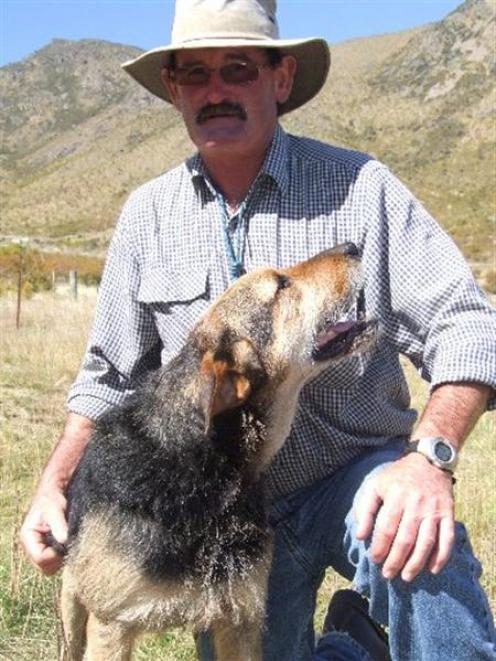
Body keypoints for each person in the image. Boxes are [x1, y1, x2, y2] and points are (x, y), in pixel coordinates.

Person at [20, 1, 496, 659]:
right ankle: (353, 646)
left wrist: (431, 457)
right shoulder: (147, 217)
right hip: (221, 513)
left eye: (238, 68)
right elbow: (105, 377)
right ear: (173, 89)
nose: (215, 91)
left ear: (280, 78)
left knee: (420, 548)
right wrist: (53, 485)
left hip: (350, 477)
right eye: (195, 73)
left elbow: (468, 322)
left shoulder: (360, 189)